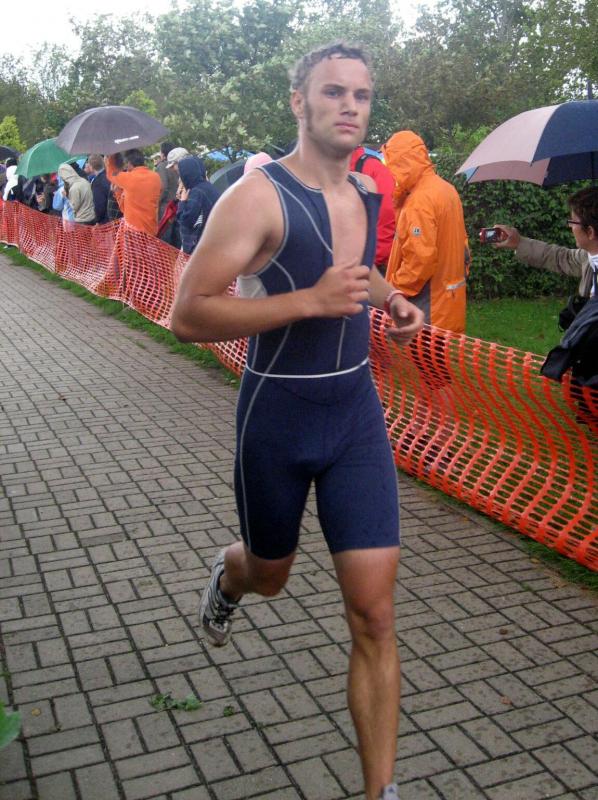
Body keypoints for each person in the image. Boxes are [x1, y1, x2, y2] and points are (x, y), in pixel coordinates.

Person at [171, 41, 424, 800]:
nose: (350, 106)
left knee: (374, 614)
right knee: (271, 575)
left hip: (354, 418)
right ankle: (232, 576)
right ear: (299, 102)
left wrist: (391, 300)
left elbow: (358, 272)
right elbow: (189, 314)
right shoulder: (256, 198)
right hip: (277, 418)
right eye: (333, 92)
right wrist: (308, 302)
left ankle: (380, 792)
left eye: (362, 95)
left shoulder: (367, 191)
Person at [494, 187, 598, 391]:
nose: (570, 227)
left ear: (591, 232)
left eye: (573, 222)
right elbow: (560, 257)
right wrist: (519, 243)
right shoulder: (589, 257)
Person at [382, 131, 470, 333]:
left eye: (391, 163)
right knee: (439, 353)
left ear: (402, 162)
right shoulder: (446, 189)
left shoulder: (419, 201)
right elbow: (464, 247)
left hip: (428, 307)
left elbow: (419, 262)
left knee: (417, 354)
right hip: (449, 301)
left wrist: (392, 292)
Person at [350, 145, 395, 272]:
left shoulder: (372, 168)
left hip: (370, 263)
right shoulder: (327, 170)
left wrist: (373, 260)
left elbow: (386, 216)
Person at [105, 149, 161, 235]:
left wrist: (111, 156)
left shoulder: (129, 178)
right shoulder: (156, 177)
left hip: (134, 232)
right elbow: (125, 208)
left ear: (129, 163)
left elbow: (111, 174)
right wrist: (118, 192)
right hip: (151, 228)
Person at [175, 155, 220, 254]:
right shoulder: (208, 186)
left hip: (202, 247)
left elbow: (186, 220)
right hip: (215, 240)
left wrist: (182, 202)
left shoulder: (196, 193)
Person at [85, 154, 111, 224]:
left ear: (91, 167)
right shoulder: (109, 175)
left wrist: (97, 220)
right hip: (114, 216)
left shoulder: (97, 182)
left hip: (106, 221)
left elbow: (99, 205)